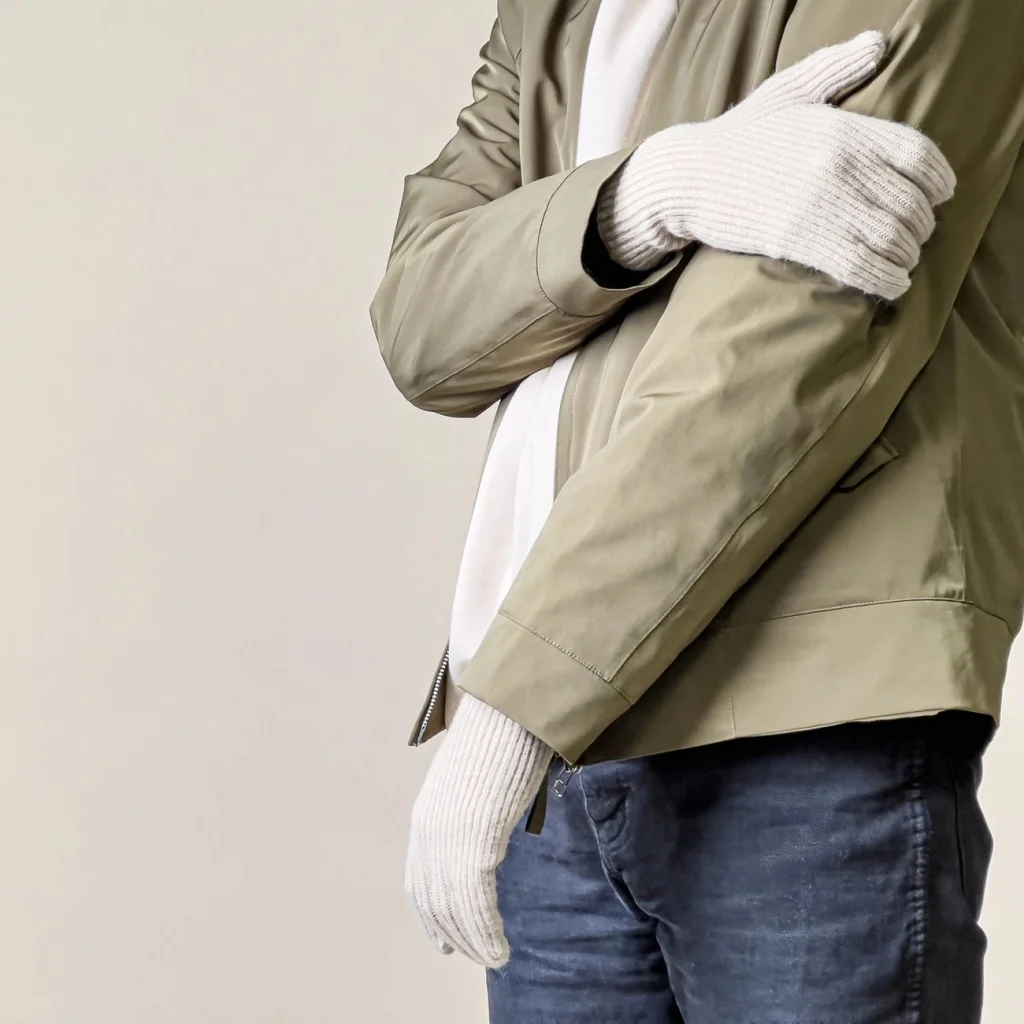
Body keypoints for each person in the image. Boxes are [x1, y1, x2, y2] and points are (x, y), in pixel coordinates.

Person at [369, 0, 1024, 1020]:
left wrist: (513, 710)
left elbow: (773, 358)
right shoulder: (548, 15)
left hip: (799, 729)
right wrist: (649, 193)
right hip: (559, 757)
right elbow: (421, 323)